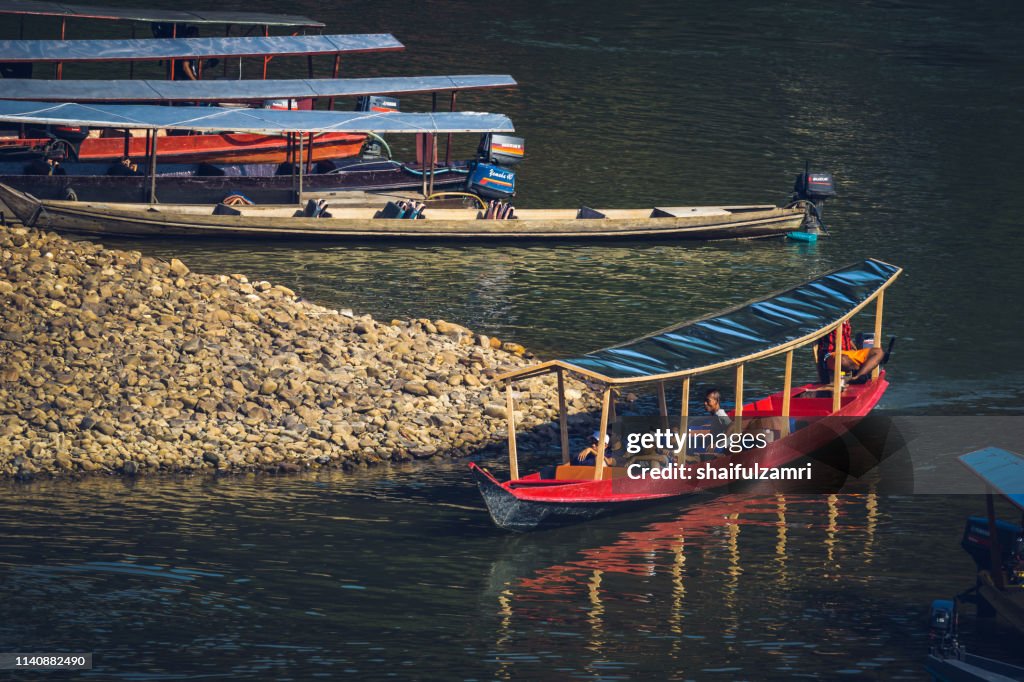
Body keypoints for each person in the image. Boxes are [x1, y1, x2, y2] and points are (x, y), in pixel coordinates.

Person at [818, 320, 884, 384]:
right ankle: (861, 370)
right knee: (842, 360)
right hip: (830, 354)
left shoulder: (846, 318)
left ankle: (858, 376)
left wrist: (854, 348)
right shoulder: (829, 318)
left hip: (848, 353)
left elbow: (847, 338)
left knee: (878, 352)